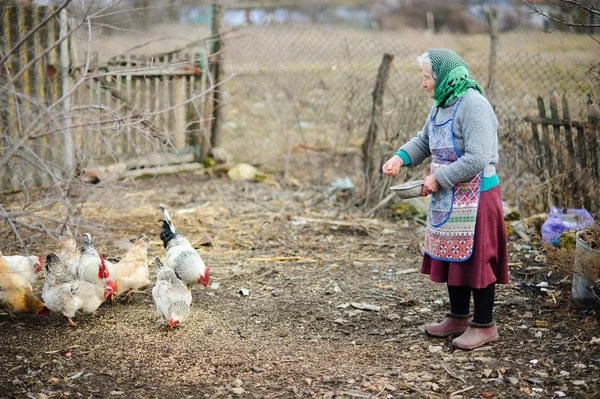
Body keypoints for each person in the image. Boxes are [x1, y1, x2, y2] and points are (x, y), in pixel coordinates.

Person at [382, 49, 509, 350]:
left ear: (444, 78)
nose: (423, 83)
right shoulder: (441, 104)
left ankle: (485, 325)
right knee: (454, 255)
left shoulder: (473, 105)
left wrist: (438, 179)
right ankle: (458, 318)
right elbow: (424, 140)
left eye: (427, 78)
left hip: (478, 195)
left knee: (478, 257)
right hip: (450, 194)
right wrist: (400, 158)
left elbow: (478, 156)